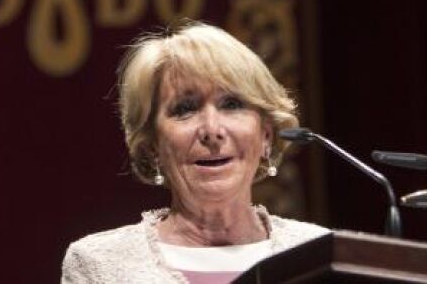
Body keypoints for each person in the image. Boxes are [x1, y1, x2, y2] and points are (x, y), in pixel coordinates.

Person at [61, 21, 329, 283]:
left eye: (232, 104)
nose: (212, 130)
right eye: (184, 109)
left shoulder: (321, 253)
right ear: (153, 145)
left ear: (266, 136)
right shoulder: (100, 264)